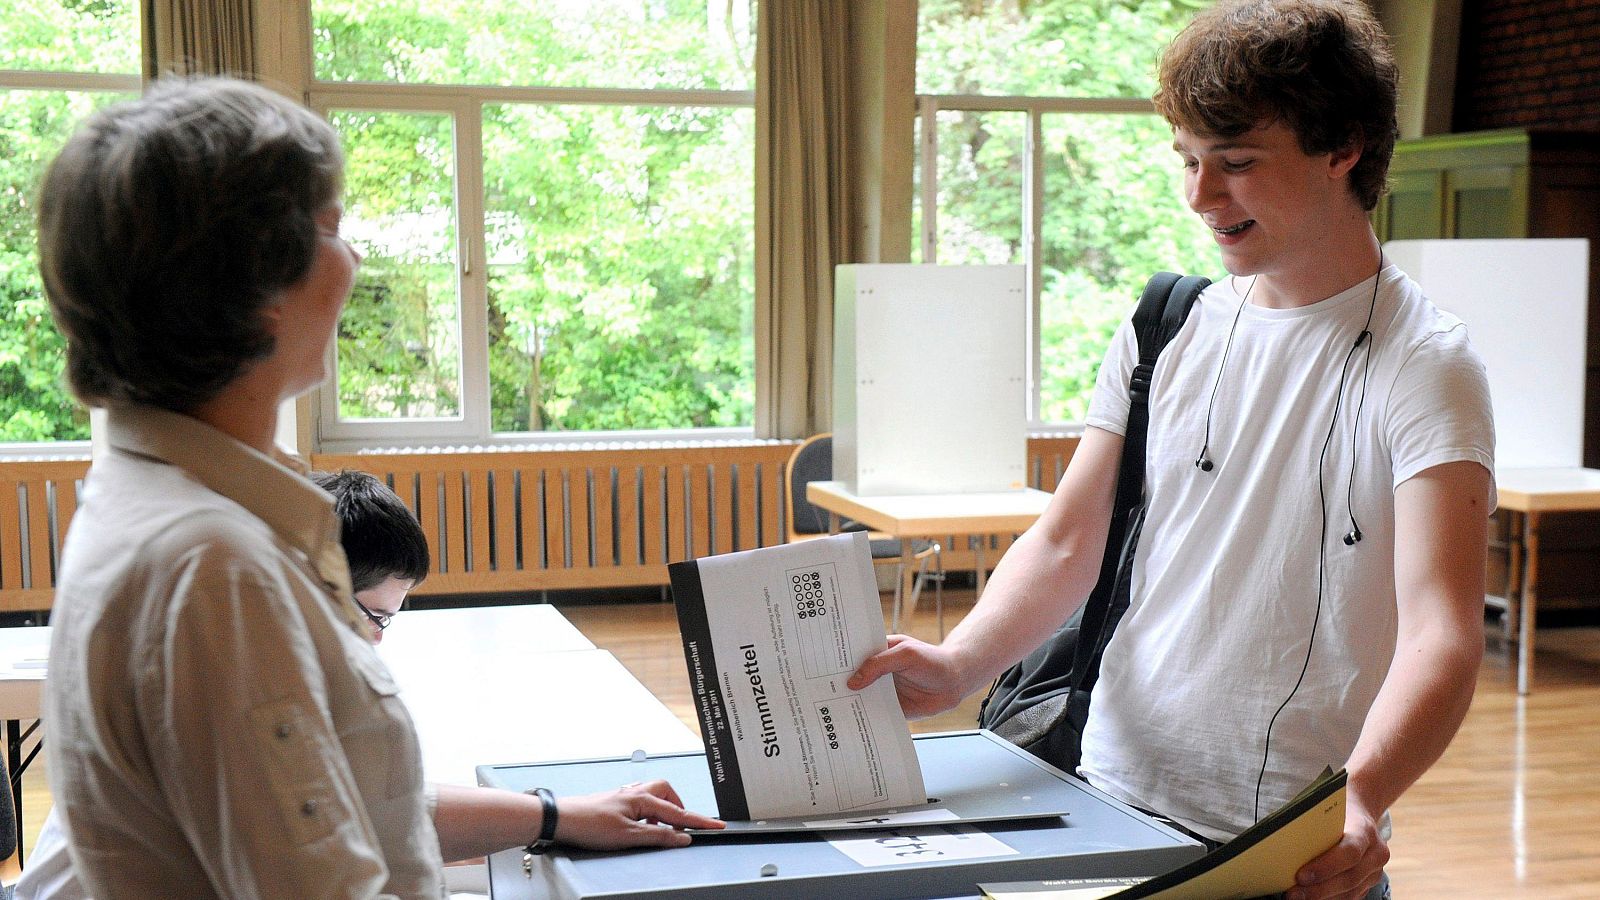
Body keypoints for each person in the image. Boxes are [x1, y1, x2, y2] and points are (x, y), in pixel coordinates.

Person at [849, 3, 1494, 899]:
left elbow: (1443, 631)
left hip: (1287, 849)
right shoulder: (1167, 327)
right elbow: (1070, 541)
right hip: (1100, 797)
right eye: (1188, 162)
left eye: (1236, 164)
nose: (1200, 196)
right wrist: (961, 663)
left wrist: (1364, 797)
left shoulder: (1426, 364)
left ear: (1342, 147)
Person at [34, 77, 715, 899]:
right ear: (258, 284)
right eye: (335, 231)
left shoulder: (158, 500)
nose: (354, 261)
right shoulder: (215, 567)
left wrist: (552, 814)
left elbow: (338, 802)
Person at [21, 467, 714, 899]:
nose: (378, 641)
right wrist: (556, 817)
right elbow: (381, 815)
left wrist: (556, 815)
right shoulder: (237, 651)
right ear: (316, 586)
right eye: (374, 616)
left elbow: (380, 802)